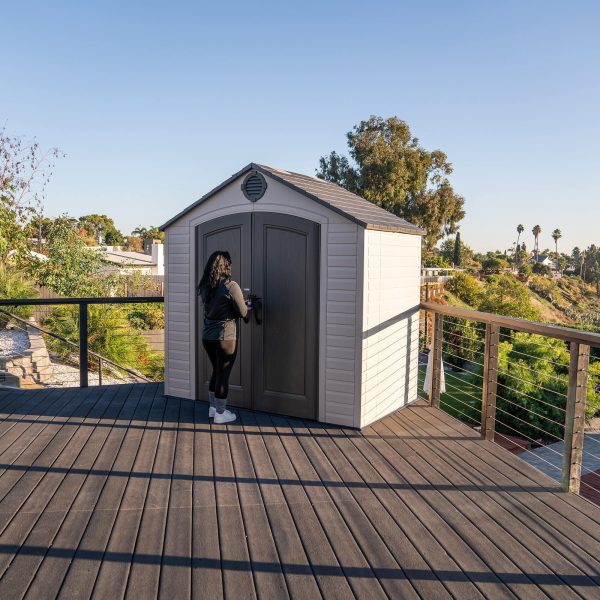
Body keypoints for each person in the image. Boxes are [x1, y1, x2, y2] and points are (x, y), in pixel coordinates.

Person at [198, 250, 250, 423]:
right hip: (225, 337)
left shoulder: (206, 286)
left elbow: (218, 307)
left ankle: (213, 409)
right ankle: (221, 414)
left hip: (208, 337)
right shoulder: (230, 285)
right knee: (223, 375)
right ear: (225, 265)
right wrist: (249, 306)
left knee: (217, 371)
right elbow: (242, 312)